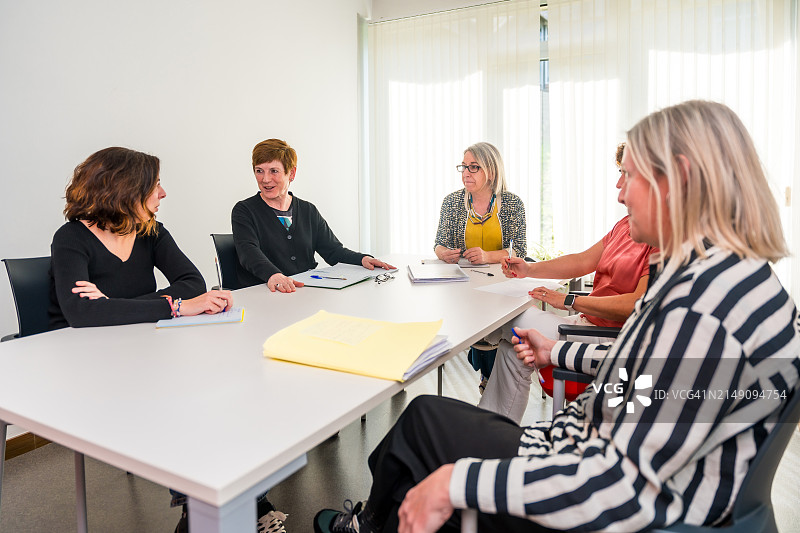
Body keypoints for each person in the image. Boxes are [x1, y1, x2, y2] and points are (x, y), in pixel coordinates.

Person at [313, 100, 800, 533]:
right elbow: (655, 382)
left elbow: (615, 487)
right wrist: (560, 350)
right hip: (587, 441)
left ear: (679, 179)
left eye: (628, 176)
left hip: (589, 475)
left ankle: (368, 523)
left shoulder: (702, 308)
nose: (619, 192)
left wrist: (457, 483)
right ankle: (376, 520)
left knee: (420, 437)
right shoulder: (727, 279)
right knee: (423, 419)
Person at [478, 143, 657, 423]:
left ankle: (477, 342)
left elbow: (637, 304)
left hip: (607, 337)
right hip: (585, 325)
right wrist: (528, 269)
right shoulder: (626, 224)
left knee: (509, 321)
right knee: (512, 346)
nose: (618, 185)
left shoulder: (658, 237)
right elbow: (582, 261)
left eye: (626, 174)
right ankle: (490, 433)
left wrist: (569, 300)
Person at [50, 147, 233, 329]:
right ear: (125, 191)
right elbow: (81, 313)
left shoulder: (151, 231)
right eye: (155, 185)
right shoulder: (70, 238)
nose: (163, 193)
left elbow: (194, 284)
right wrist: (176, 307)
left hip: (138, 338)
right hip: (84, 347)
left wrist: (111, 305)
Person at [232, 138, 394, 293]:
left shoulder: (308, 210)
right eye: (259, 171)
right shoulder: (244, 211)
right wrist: (274, 275)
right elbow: (249, 253)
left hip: (303, 292)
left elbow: (334, 252)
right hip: (265, 293)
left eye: (274, 171)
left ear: (292, 173)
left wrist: (363, 259)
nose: (265, 179)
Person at [433, 142, 527, 391]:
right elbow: (439, 244)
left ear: (492, 171)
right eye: (464, 166)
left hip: (500, 282)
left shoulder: (511, 203)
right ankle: (488, 376)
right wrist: (444, 253)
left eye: (474, 167)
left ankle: (492, 380)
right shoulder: (452, 202)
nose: (466, 173)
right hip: (463, 284)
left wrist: (488, 256)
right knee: (474, 323)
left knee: (496, 324)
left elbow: (520, 250)